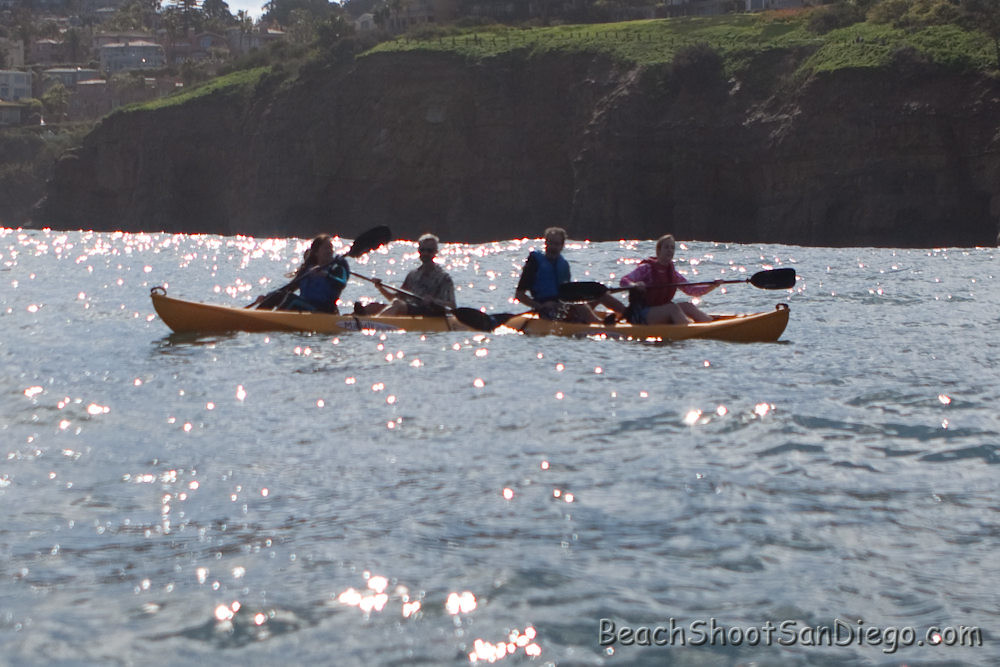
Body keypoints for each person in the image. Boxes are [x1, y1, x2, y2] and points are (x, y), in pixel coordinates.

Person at [514, 227, 625, 323]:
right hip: (547, 309)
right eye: (550, 243)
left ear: (562, 246)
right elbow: (519, 295)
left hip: (564, 305)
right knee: (580, 306)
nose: (553, 247)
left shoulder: (563, 264)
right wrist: (539, 306)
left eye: (556, 244)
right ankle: (600, 325)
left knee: (601, 294)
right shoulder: (534, 263)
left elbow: (568, 293)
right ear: (545, 243)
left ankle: (629, 316)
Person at [619, 234, 719, 324]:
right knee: (673, 309)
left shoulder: (673, 273)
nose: (670, 250)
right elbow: (623, 281)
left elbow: (692, 290)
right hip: (640, 314)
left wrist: (712, 286)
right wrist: (634, 285)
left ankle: (712, 326)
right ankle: (690, 330)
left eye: (672, 248)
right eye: (666, 247)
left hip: (661, 310)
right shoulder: (646, 269)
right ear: (658, 251)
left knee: (687, 306)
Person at [252, 234, 350, 313]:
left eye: (331, 248)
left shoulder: (337, 268)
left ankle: (271, 321)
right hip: (306, 307)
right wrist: (267, 297)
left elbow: (342, 283)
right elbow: (290, 287)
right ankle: (255, 317)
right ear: (316, 252)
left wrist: (326, 275)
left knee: (291, 299)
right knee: (279, 295)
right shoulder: (308, 270)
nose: (330, 251)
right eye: (326, 248)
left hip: (324, 311)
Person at [373, 233, 456, 316]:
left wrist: (434, 301)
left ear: (435, 252)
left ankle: (374, 324)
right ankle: (371, 322)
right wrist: (380, 287)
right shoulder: (413, 275)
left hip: (430, 313)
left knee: (397, 304)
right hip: (413, 310)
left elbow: (452, 306)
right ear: (418, 251)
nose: (425, 253)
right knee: (374, 306)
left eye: (429, 251)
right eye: (422, 250)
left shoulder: (444, 278)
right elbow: (395, 298)